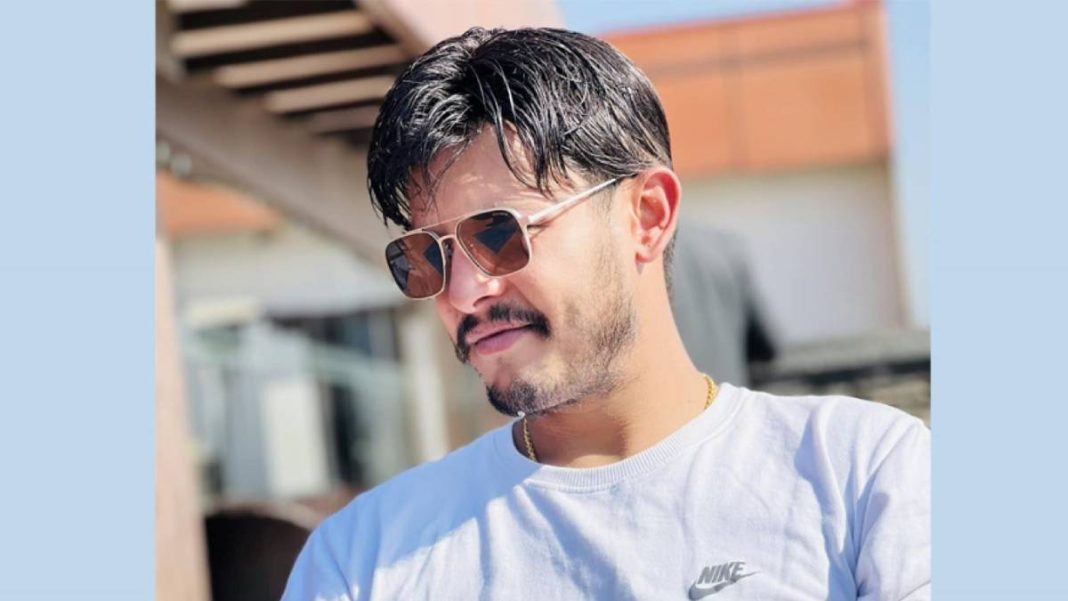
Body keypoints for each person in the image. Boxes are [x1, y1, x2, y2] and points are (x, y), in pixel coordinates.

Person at [282, 27, 929, 601]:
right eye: (427, 255)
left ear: (646, 217)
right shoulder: (363, 560)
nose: (465, 291)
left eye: (499, 233)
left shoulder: (861, 476)